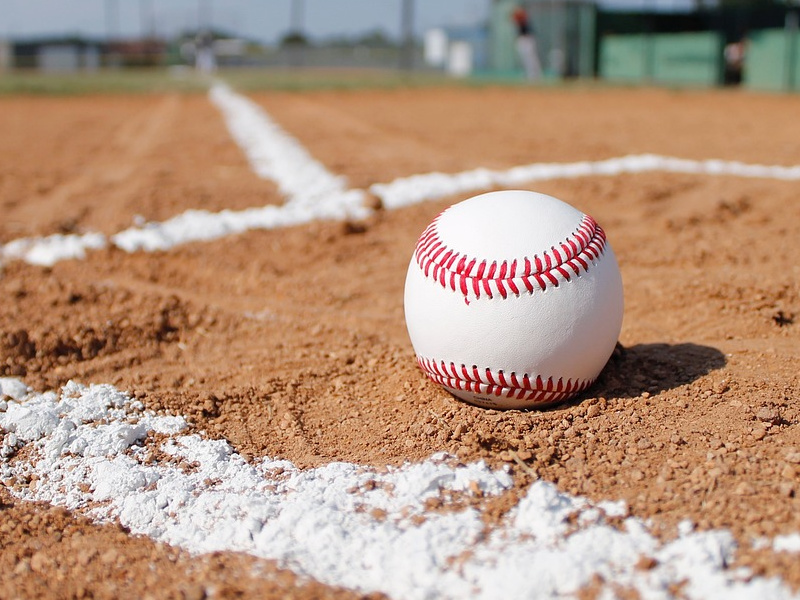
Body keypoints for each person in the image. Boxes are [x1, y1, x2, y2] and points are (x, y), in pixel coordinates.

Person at [512, 6, 542, 81]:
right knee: (524, 59)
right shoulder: (518, 21)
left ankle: (535, 75)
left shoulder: (525, 20)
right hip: (521, 39)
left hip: (528, 39)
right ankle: (528, 74)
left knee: (531, 58)